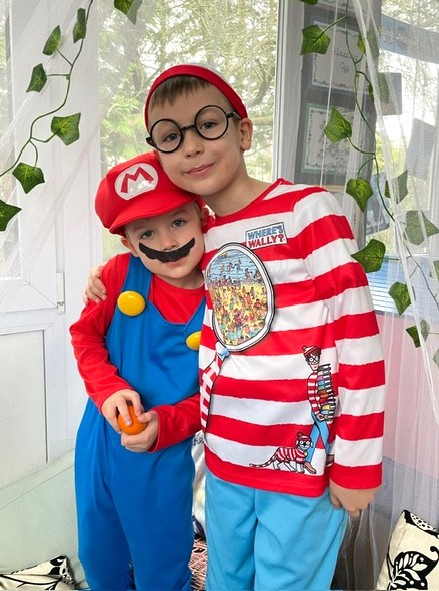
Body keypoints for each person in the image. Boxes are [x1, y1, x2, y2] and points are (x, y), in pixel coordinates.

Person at [85, 64, 386, 591]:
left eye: (208, 124)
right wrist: (104, 276)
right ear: (159, 156)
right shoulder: (204, 237)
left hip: (303, 461)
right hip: (225, 462)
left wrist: (358, 462)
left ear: (243, 131)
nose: (192, 146)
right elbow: (157, 261)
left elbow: (358, 336)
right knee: (226, 580)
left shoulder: (307, 210)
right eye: (171, 136)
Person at [70, 150, 206, 591]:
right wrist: (108, 389)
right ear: (129, 243)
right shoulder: (117, 274)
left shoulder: (226, 292)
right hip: (99, 439)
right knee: (98, 552)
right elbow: (85, 337)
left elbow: (221, 390)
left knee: (161, 559)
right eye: (147, 231)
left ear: (202, 216)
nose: (166, 241)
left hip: (162, 451)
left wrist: (168, 423)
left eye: (178, 221)